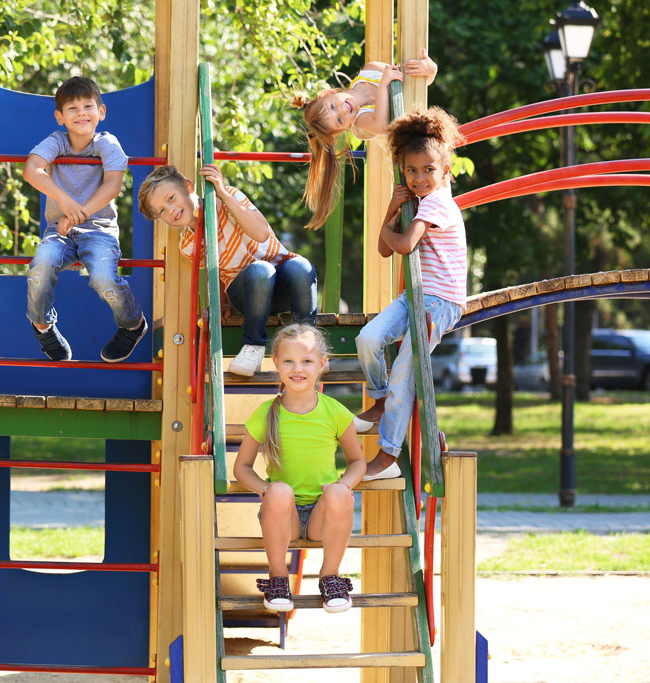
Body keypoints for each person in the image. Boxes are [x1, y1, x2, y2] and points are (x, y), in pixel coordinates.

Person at [353, 106, 467, 481]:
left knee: (404, 370)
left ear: (445, 172)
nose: (420, 178)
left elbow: (399, 246)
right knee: (367, 338)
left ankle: (388, 456)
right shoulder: (415, 203)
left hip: (440, 302)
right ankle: (380, 397)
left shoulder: (437, 202)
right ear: (403, 172)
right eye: (412, 171)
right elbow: (386, 249)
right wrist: (391, 207)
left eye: (429, 170)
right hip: (416, 296)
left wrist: (388, 226)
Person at [232, 324, 366, 613]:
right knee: (279, 491)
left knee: (341, 494)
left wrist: (344, 485)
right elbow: (241, 467)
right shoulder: (266, 413)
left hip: (323, 516)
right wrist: (264, 489)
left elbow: (357, 462)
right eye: (289, 361)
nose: (298, 369)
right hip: (284, 518)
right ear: (277, 364)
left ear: (322, 364)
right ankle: (278, 577)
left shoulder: (335, 412)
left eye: (306, 361)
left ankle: (330, 576)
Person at [137, 163, 317, 377]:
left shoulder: (228, 198)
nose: (171, 210)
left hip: (282, 282)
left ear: (188, 187)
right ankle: (253, 346)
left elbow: (261, 234)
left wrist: (222, 193)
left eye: (171, 198)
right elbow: (218, 266)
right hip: (248, 293)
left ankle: (308, 343)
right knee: (260, 271)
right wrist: (221, 301)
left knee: (301, 266)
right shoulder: (188, 244)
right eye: (162, 211)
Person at [23, 76, 147, 363]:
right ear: (60, 117)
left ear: (100, 112)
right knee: (41, 265)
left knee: (104, 276)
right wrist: (66, 204)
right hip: (60, 229)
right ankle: (43, 327)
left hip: (99, 229)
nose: (81, 113)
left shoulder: (106, 142)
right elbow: (32, 170)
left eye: (88, 106)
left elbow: (112, 185)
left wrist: (80, 214)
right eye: (72, 108)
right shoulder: (57, 141)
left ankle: (132, 324)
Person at [291, 50, 438, 229]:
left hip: (426, 147)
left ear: (329, 92)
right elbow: (382, 124)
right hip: (407, 167)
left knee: (439, 200)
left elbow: (411, 81)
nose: (343, 111)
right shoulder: (360, 120)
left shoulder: (371, 70)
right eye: (339, 120)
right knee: (424, 213)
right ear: (343, 129)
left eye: (332, 106)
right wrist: (383, 85)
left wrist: (430, 71)